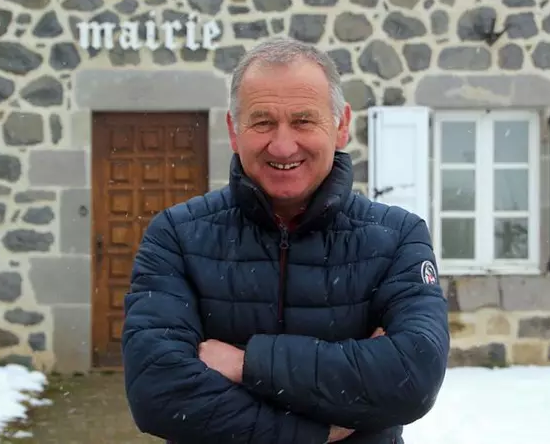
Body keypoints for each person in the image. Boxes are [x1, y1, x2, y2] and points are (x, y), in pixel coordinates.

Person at [121, 36, 450, 444]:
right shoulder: (176, 236)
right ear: (233, 129)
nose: (282, 144)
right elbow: (158, 392)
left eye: (303, 120)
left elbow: (412, 377)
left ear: (342, 125)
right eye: (262, 121)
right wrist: (320, 432)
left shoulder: (398, 238)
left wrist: (246, 363)